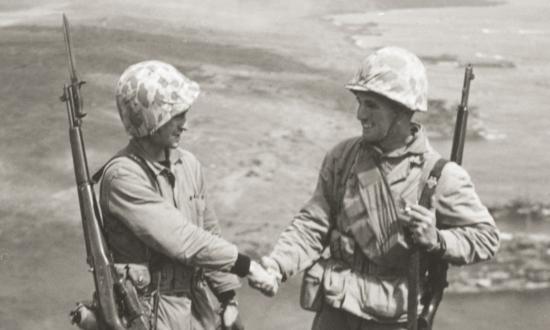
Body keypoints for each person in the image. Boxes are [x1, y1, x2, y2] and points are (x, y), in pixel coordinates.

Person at [252, 47, 500, 329]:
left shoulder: (440, 176)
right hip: (334, 312)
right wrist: (277, 266)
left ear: (402, 110)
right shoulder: (343, 157)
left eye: (372, 105)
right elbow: (313, 224)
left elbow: (486, 237)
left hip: (390, 320)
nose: (360, 114)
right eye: (360, 102)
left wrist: (437, 240)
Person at [97, 60, 277, 330]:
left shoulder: (187, 164)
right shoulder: (123, 177)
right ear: (150, 118)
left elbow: (208, 231)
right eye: (176, 116)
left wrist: (227, 297)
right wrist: (247, 266)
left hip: (196, 309)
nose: (184, 125)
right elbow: (184, 239)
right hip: (147, 315)